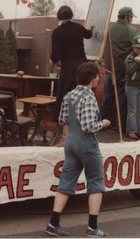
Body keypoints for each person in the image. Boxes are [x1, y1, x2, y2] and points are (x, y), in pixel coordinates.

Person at [45, 62, 111, 238]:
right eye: (97, 76)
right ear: (92, 78)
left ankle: (53, 223)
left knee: (66, 182)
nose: (98, 79)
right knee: (96, 182)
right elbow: (89, 126)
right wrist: (104, 123)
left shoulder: (69, 95)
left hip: (71, 142)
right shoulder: (89, 98)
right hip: (86, 144)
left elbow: (62, 119)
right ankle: (92, 227)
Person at [50, 5, 93, 122]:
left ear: (58, 17)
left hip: (68, 66)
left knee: (65, 94)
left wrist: (52, 61)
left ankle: (62, 121)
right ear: (71, 15)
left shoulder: (57, 32)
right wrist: (89, 29)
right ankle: (84, 118)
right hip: (83, 64)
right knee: (83, 93)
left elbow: (56, 54)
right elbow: (88, 35)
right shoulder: (78, 28)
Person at [100, 6, 139, 132]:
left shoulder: (109, 28)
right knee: (122, 99)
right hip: (123, 70)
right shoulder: (130, 30)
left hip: (109, 69)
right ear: (127, 18)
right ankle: (119, 126)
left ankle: (101, 123)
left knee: (108, 97)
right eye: (131, 17)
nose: (132, 20)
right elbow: (139, 47)